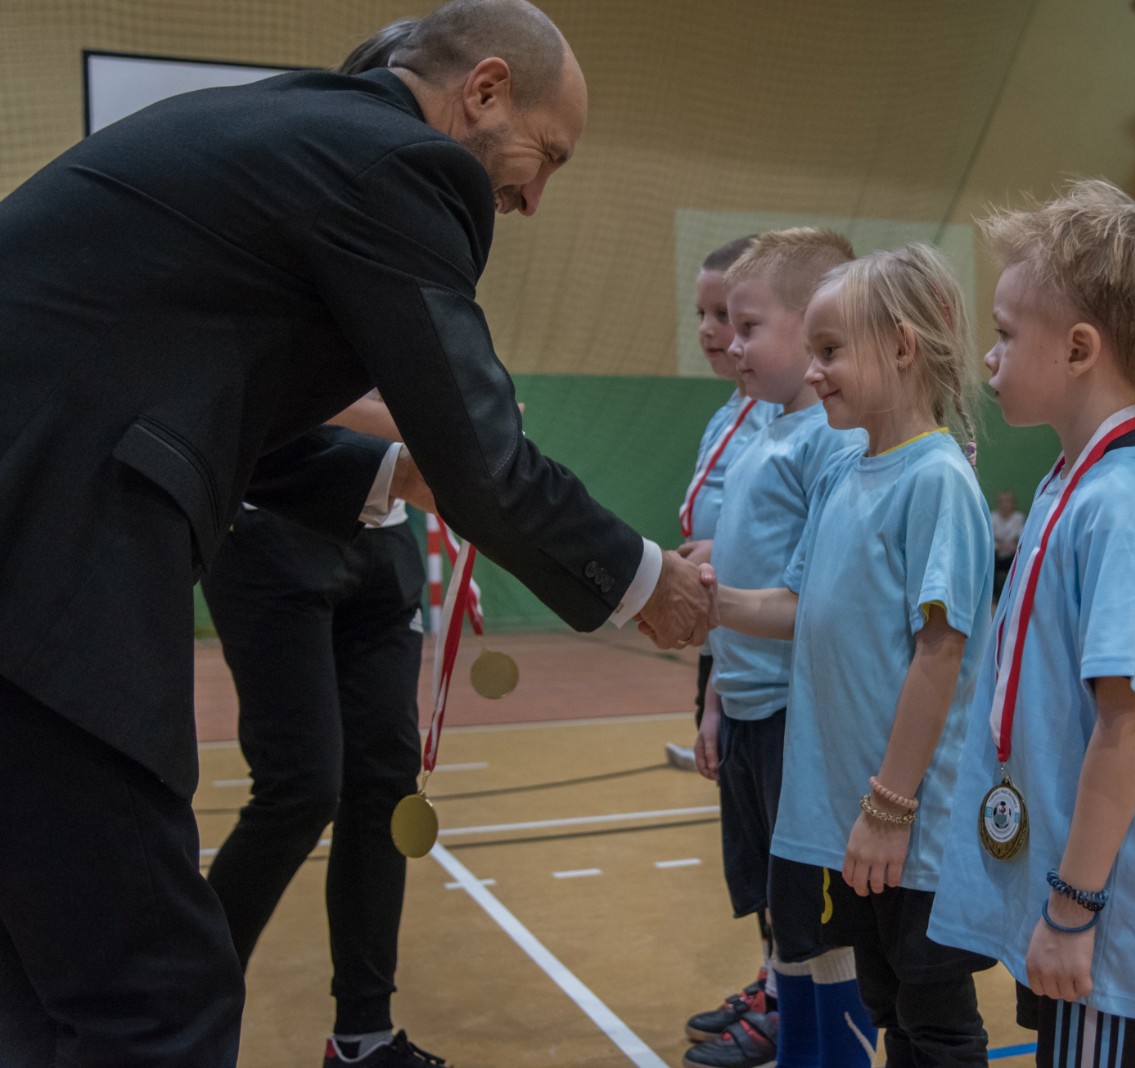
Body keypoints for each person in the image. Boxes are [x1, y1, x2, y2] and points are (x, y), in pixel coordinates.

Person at [0, 3, 716, 1062]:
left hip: (36, 515)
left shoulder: (285, 132)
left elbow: (212, 421)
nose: (533, 199)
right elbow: (487, 462)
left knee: (41, 986)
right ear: (482, 90)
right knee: (154, 1001)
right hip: (48, 560)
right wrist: (647, 581)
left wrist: (393, 472)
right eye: (547, 155)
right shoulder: (402, 165)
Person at [196, 24, 448, 1068]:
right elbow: (280, 389)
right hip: (272, 542)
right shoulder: (280, 222)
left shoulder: (421, 234)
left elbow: (434, 393)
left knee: (383, 792)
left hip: (381, 545)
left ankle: (363, 1035)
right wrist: (430, 426)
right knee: (300, 786)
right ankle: (176, 1012)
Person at [928, 180, 1135, 1068]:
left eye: (1007, 335)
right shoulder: (1070, 482)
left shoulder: (1124, 508)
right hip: (1070, 888)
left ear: (1080, 349)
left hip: (1104, 921)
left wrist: (1073, 910)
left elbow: (1126, 727)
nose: (990, 356)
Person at [717, 244, 996, 1066]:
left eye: (831, 351)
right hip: (846, 820)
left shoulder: (935, 480)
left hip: (909, 824)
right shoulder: (846, 473)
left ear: (902, 347)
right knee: (888, 1009)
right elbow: (801, 607)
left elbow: (940, 654)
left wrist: (889, 808)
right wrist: (705, 602)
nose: (815, 372)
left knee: (935, 1021)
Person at [689, 228, 870, 1068]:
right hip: (750, 705)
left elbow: (819, 601)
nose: (731, 342)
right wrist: (717, 698)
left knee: (821, 926)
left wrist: (704, 599)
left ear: (815, 327)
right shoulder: (758, 428)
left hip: (803, 716)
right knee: (786, 918)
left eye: (749, 326)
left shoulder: (827, 441)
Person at [665, 233, 774, 771]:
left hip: (753, 633)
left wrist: (720, 550)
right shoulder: (725, 414)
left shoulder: (777, 417)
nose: (708, 329)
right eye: (701, 314)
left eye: (725, 316)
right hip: (719, 631)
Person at [991, 490, 1026, 601]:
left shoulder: (1018, 518)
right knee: (990, 563)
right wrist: (999, 546)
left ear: (1013, 504)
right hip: (996, 553)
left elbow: (1021, 538)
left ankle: (1015, 597)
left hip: (1013, 553)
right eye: (1002, 501)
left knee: (1021, 561)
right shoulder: (992, 517)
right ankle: (992, 598)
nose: (1005, 504)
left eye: (1008, 501)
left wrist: (1013, 547)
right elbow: (990, 538)